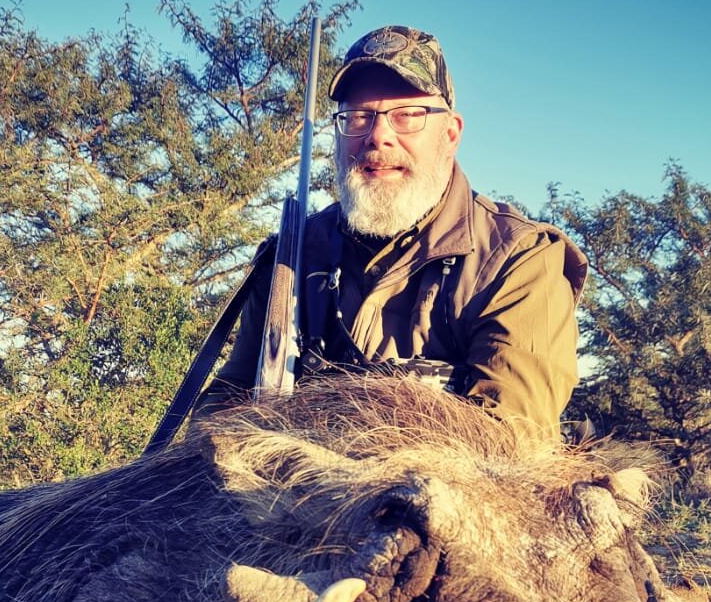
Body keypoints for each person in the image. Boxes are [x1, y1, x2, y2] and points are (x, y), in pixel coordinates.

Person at [194, 25, 587, 441]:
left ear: (450, 133)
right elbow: (223, 411)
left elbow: (509, 439)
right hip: (275, 502)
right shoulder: (290, 256)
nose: (378, 136)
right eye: (357, 117)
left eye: (406, 116)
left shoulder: (519, 260)